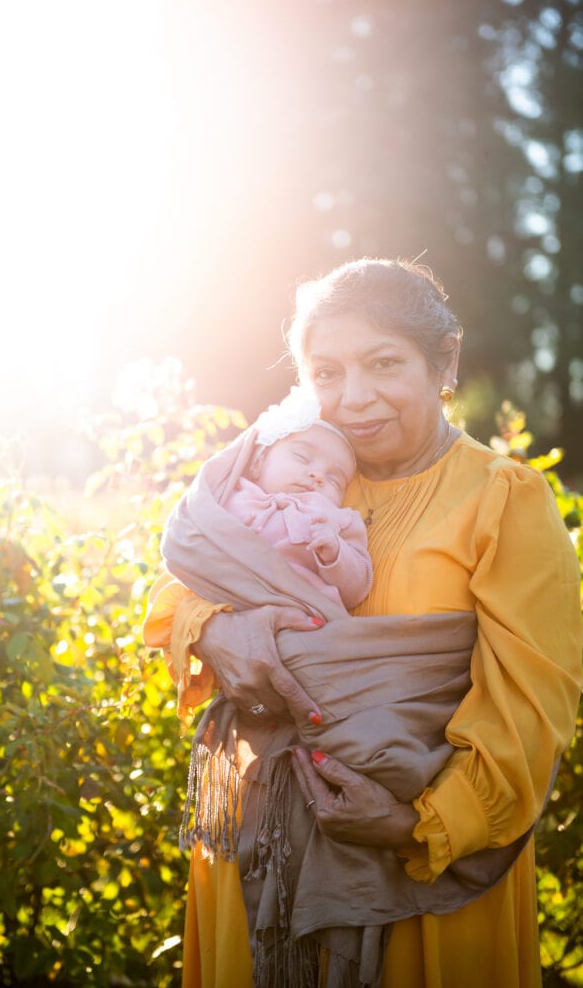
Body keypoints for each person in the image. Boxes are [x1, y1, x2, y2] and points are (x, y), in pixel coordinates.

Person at [143, 257, 582, 988]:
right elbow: (185, 576)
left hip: (422, 862)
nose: (352, 399)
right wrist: (215, 630)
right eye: (325, 372)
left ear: (443, 361)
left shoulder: (501, 498)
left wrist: (418, 825)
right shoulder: (292, 468)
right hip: (265, 840)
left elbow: (530, 707)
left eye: (383, 364)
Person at [223, 389, 373, 611]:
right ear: (257, 463)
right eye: (302, 457)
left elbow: (357, 590)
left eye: (335, 480)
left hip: (303, 617)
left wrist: (335, 554)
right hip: (230, 600)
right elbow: (197, 538)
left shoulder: (339, 520)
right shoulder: (233, 496)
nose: (319, 476)